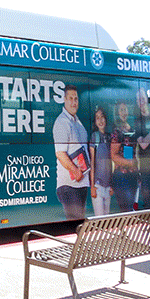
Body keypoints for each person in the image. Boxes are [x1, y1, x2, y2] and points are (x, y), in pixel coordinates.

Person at [53, 85, 89, 220]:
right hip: (70, 185)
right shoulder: (62, 122)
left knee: (79, 223)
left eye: (76, 99)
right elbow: (60, 153)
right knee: (75, 224)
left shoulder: (78, 123)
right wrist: (76, 171)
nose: (74, 102)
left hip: (81, 183)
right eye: (70, 99)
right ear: (64, 100)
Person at [110, 101, 138, 211]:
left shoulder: (130, 129)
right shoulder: (116, 130)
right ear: (117, 113)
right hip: (122, 177)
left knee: (130, 207)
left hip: (133, 175)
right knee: (127, 209)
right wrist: (130, 163)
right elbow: (113, 155)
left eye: (125, 109)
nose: (124, 112)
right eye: (121, 110)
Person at [89, 106, 113, 215]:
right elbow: (92, 163)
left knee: (106, 219)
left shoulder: (110, 137)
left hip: (108, 187)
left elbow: (113, 162)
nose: (100, 120)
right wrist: (92, 186)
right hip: (98, 186)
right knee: (99, 218)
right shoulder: (95, 136)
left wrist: (112, 185)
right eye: (97, 118)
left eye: (102, 117)